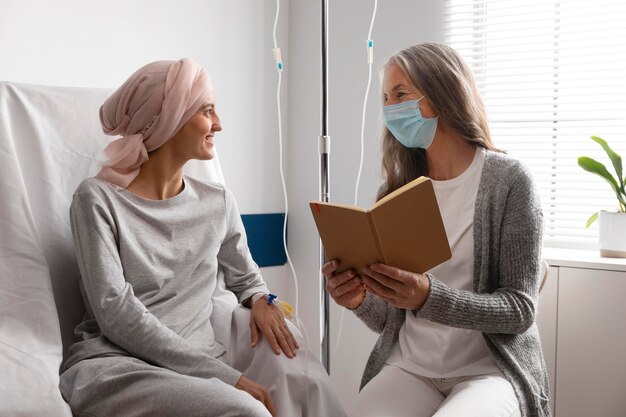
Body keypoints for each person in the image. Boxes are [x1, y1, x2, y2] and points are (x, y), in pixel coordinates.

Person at [59, 58, 345, 417]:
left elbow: (246, 277)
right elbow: (115, 313)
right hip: (117, 368)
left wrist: (259, 298)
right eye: (207, 110)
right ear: (169, 118)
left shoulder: (217, 202)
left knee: (308, 383)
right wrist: (226, 377)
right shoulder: (96, 200)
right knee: (248, 411)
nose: (219, 124)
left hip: (193, 372)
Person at [323, 42, 550, 417]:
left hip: (488, 372)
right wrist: (358, 299)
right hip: (412, 366)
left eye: (401, 94)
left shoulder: (509, 182)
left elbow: (519, 310)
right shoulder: (394, 192)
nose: (390, 108)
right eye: (385, 98)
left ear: (443, 93)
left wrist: (429, 297)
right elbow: (388, 319)